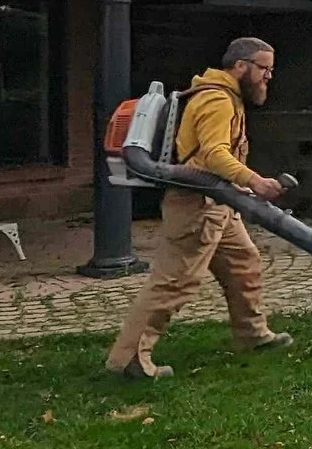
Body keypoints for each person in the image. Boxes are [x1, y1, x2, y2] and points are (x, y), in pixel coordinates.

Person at [105, 36, 295, 379]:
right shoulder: (216, 99)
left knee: (244, 264)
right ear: (240, 66)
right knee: (174, 281)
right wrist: (255, 181)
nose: (269, 76)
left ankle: (252, 334)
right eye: (264, 68)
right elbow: (213, 154)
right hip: (197, 205)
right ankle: (129, 358)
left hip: (217, 204)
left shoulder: (226, 96)